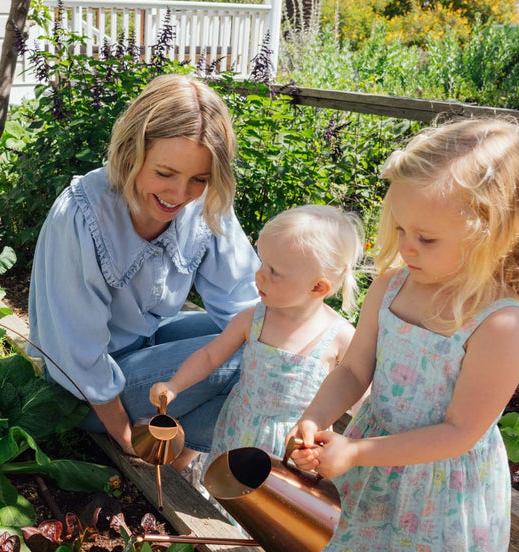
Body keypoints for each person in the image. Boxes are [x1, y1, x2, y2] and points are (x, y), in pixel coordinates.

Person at [289, 117, 519, 552]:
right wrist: (317, 416)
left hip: (444, 483)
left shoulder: (500, 321)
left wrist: (357, 453)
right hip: (375, 457)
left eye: (426, 238)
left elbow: (459, 430)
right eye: (401, 227)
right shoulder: (391, 286)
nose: (406, 246)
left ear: (495, 232)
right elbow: (356, 368)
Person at [28, 74, 261, 465]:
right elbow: (77, 354)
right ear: (130, 153)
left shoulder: (206, 203)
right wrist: (128, 439)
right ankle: (178, 448)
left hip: (147, 350)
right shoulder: (82, 214)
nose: (179, 195)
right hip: (87, 390)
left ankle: (182, 450)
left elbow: (248, 303)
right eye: (165, 174)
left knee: (267, 336)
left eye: (198, 179)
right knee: (248, 362)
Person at [147, 204, 362, 485]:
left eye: (274, 272)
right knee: (225, 491)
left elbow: (361, 399)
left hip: (292, 450)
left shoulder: (340, 336)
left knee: (270, 512)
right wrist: (175, 385)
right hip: (237, 431)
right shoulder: (255, 318)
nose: (259, 276)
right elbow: (211, 355)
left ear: (317, 288)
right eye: (262, 263)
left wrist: (346, 448)